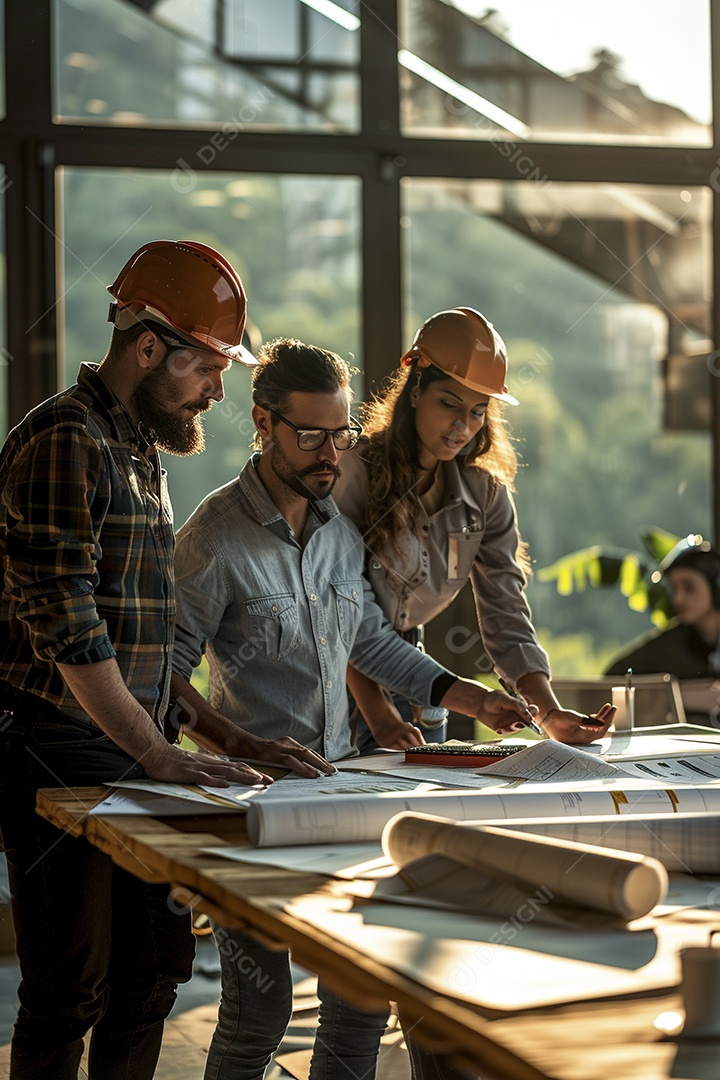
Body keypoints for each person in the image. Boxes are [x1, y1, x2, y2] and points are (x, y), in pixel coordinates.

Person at [169, 336, 544, 1080]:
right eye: (308, 435)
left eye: (338, 435)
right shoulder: (214, 538)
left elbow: (369, 638)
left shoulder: (338, 532)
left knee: (361, 1004)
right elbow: (164, 678)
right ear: (264, 422)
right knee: (259, 1010)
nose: (327, 454)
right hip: (252, 810)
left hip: (344, 796)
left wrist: (467, 696)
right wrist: (240, 742)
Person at [0, 239, 324, 1080]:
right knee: (67, 990)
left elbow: (150, 651)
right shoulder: (63, 441)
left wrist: (231, 740)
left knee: (151, 981)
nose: (220, 389)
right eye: (209, 367)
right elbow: (72, 632)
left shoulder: (139, 449)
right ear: (148, 347)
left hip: (134, 749)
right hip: (56, 746)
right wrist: (157, 755)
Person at [333, 306, 615, 751]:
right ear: (414, 391)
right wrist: (379, 715)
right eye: (448, 404)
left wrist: (548, 714)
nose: (462, 426)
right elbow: (344, 616)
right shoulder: (354, 474)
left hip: (419, 682)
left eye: (478, 411)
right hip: (337, 682)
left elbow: (506, 613)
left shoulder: (484, 496)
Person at [605, 535, 720, 721]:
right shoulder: (670, 645)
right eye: (674, 589)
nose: (678, 600)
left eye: (689, 587)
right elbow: (609, 682)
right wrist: (680, 695)